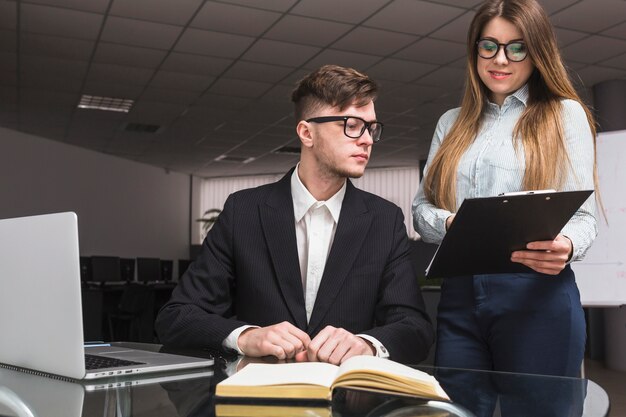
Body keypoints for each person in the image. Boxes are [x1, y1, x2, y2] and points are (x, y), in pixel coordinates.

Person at [156, 64, 434, 365]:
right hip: (259, 401)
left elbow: (415, 328)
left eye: (371, 127)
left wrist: (366, 345)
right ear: (306, 133)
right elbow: (177, 316)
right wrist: (246, 336)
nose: (367, 139)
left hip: (348, 402)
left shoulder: (384, 220)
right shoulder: (243, 212)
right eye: (352, 125)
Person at [412, 0, 597, 379]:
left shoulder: (564, 115)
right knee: (457, 407)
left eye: (517, 47)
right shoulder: (451, 123)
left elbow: (583, 218)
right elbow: (421, 210)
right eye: (489, 45)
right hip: (459, 297)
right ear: (474, 49)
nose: (500, 60)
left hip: (536, 293)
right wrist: (453, 223)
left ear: (537, 52)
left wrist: (568, 246)